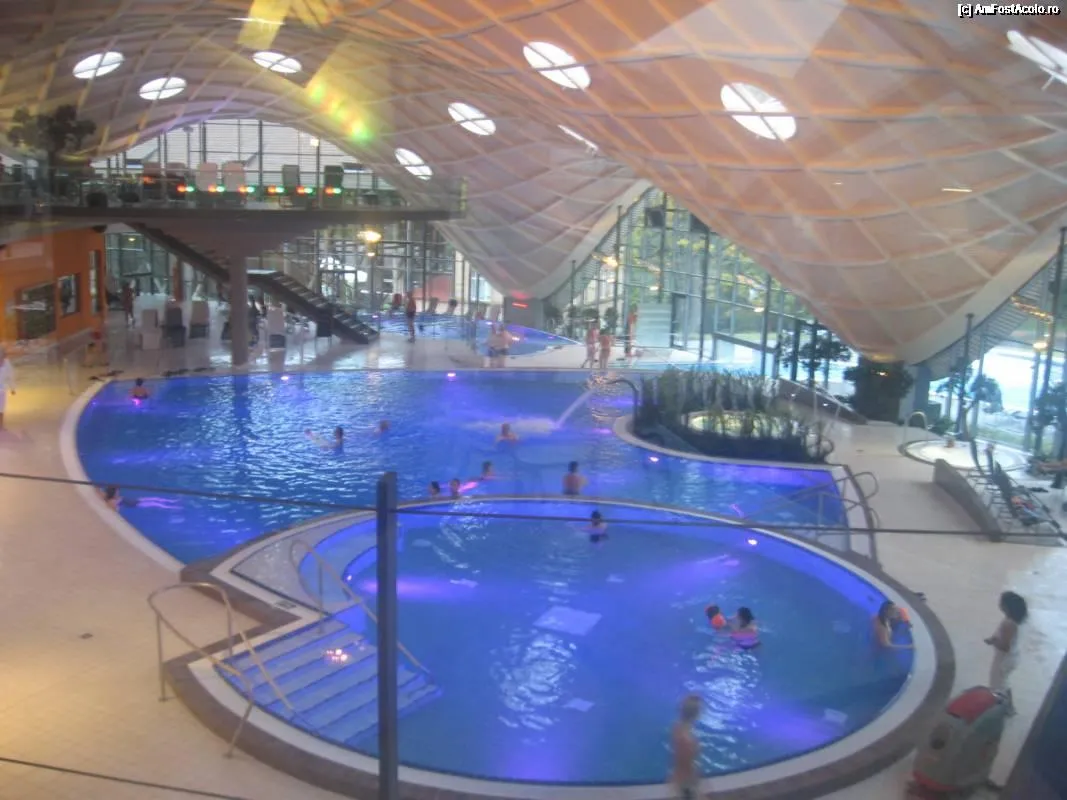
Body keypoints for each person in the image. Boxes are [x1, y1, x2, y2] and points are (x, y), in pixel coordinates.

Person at [985, 591, 1027, 710]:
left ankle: (1001, 708)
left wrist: (993, 642)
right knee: (1004, 683)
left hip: (1004, 659)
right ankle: (1010, 707)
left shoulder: (1008, 624)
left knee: (997, 685)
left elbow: (1005, 646)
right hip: (1012, 657)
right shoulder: (1015, 621)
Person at [670, 695, 702, 800]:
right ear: (696, 714)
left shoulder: (677, 727)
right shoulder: (688, 740)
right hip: (686, 782)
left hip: (678, 776)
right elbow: (687, 766)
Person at [100, 485, 179, 510]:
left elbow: (102, 492)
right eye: (117, 491)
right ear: (113, 492)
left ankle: (172, 501)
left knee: (155, 498)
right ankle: (172, 507)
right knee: (155, 504)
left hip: (136, 500)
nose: (118, 492)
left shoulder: (115, 497)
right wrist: (118, 503)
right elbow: (116, 508)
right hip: (137, 505)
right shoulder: (113, 500)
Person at [0, 348, 15, 431]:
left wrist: (12, 388)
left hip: (2, 390)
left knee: (1, 408)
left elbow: (10, 376)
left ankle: (1, 425)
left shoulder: (7, 363)